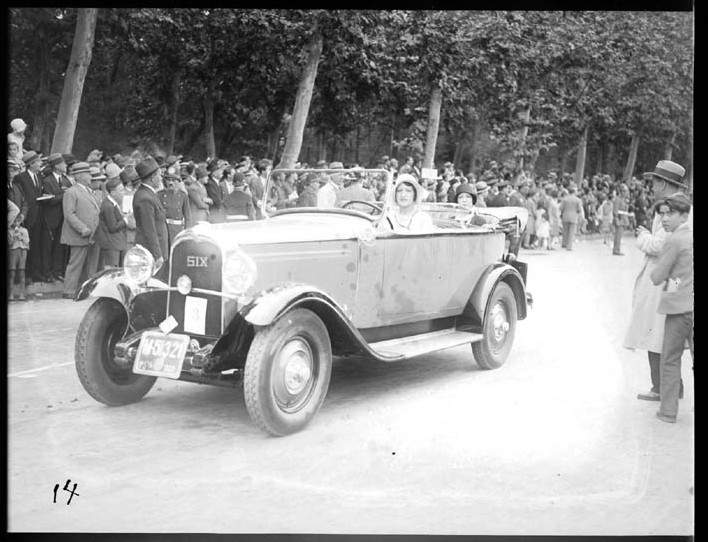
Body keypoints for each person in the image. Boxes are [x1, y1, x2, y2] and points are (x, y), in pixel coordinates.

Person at [624, 160, 688, 402]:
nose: (651, 186)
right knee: (663, 334)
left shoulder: (671, 208)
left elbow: (660, 245)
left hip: (662, 279)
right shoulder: (679, 206)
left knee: (655, 333)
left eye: (653, 182)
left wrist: (642, 237)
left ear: (663, 183)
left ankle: (661, 387)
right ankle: (672, 385)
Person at [650, 192, 693, 423]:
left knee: (670, 359)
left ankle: (667, 411)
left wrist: (658, 275)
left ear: (684, 215)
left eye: (671, 213)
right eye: (663, 214)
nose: (665, 219)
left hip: (679, 311)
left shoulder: (675, 239)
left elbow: (658, 276)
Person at [60, 162, 101, 298]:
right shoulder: (71, 192)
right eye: (88, 173)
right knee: (76, 263)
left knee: (91, 265)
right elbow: (69, 214)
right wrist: (82, 228)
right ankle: (69, 291)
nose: (91, 176)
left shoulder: (89, 191)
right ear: (81, 176)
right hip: (80, 235)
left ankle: (86, 289)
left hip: (93, 234)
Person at [13, 150, 48, 282]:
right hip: (27, 216)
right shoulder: (20, 177)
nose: (40, 163)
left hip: (39, 215)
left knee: (37, 244)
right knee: (25, 245)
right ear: (31, 163)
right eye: (38, 161)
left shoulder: (40, 177)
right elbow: (20, 198)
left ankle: (35, 273)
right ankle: (24, 275)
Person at [133, 157, 169, 277]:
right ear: (153, 177)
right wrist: (158, 255)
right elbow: (149, 230)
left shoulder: (149, 193)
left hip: (156, 249)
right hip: (150, 252)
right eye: (159, 175)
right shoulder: (145, 197)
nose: (161, 178)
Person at [41, 153, 70, 282]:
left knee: (60, 246)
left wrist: (61, 195)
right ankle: (47, 273)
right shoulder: (47, 180)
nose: (66, 165)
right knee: (48, 246)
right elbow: (48, 200)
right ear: (57, 165)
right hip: (51, 218)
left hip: (64, 218)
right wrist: (64, 195)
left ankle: (57, 272)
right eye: (63, 163)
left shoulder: (66, 180)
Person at [94, 177, 128, 269]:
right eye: (121, 190)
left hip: (114, 243)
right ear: (113, 193)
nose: (124, 193)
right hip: (110, 243)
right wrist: (126, 220)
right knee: (110, 270)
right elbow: (112, 227)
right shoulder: (108, 206)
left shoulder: (111, 204)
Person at [159, 171, 191, 251]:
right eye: (168, 180)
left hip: (177, 229)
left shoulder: (183, 196)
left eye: (173, 180)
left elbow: (187, 215)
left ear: (178, 182)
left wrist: (187, 232)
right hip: (164, 228)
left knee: (176, 251)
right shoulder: (160, 195)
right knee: (165, 251)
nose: (170, 183)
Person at [8, 212, 30, 301]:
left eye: (18, 221)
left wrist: (21, 237)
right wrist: (14, 237)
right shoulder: (9, 231)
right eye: (14, 221)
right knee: (12, 273)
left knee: (22, 272)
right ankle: (11, 294)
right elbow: (9, 243)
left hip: (23, 251)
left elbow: (27, 241)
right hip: (13, 251)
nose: (16, 223)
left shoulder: (24, 230)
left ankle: (22, 293)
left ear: (21, 221)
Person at [559, 184, 583, 250]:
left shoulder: (564, 199)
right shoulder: (578, 200)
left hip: (565, 215)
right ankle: (569, 246)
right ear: (574, 192)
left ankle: (564, 243)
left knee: (565, 231)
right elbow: (579, 209)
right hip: (573, 216)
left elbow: (561, 208)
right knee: (571, 232)